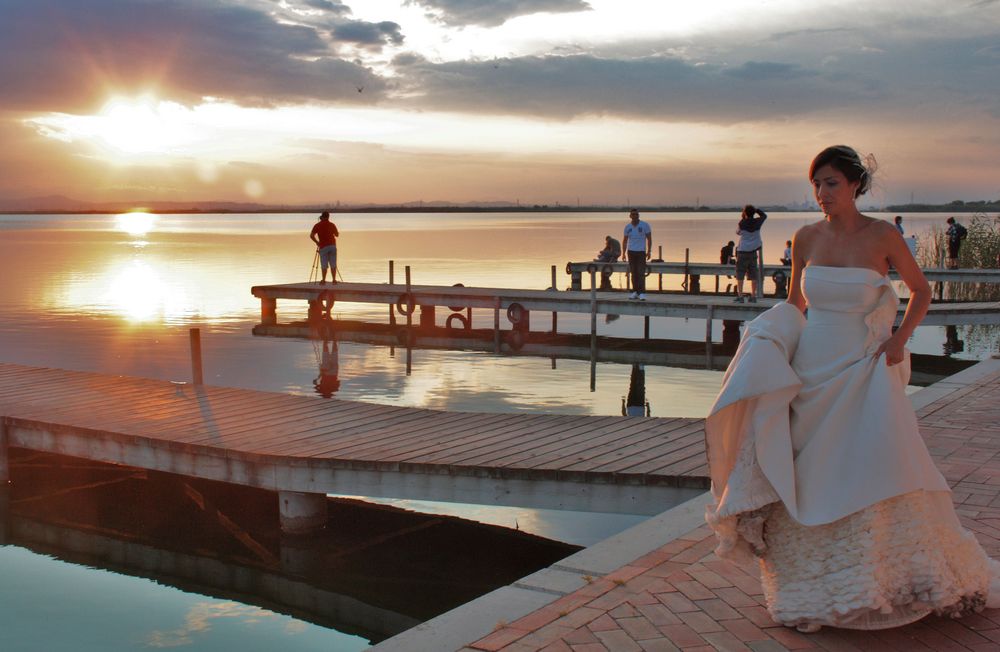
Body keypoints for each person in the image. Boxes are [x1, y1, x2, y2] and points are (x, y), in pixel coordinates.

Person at [705, 144, 998, 633]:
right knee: (813, 471)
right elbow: (796, 302)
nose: (822, 193)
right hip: (812, 368)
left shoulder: (882, 235)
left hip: (864, 366)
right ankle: (819, 587)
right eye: (816, 184)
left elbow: (921, 291)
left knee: (875, 462)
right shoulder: (805, 238)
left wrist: (901, 340)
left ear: (855, 185)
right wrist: (766, 346)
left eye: (831, 183)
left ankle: (884, 578)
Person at [733, 204, 767, 303]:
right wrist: (757, 210)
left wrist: (743, 217)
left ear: (745, 213)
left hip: (742, 251)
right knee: (753, 275)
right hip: (753, 252)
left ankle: (740, 296)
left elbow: (737, 232)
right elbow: (764, 216)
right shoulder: (758, 222)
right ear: (753, 213)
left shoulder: (742, 223)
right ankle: (753, 296)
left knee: (740, 274)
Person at [623, 209, 652, 300]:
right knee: (633, 273)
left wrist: (649, 251)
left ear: (638, 215)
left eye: (636, 214)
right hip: (631, 252)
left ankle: (642, 293)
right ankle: (635, 292)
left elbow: (649, 239)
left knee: (641, 273)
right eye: (633, 214)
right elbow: (625, 240)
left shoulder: (645, 225)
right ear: (630, 216)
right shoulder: (627, 227)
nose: (635, 216)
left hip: (641, 252)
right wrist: (623, 253)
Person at [310, 211, 340, 284]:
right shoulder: (332, 225)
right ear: (328, 217)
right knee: (333, 263)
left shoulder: (317, 225)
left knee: (324, 264)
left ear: (322, 217)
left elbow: (311, 235)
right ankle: (334, 280)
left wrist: (317, 242)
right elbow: (337, 235)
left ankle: (323, 280)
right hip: (332, 246)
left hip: (323, 246)